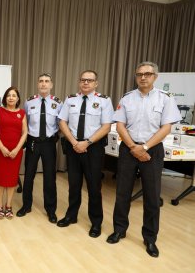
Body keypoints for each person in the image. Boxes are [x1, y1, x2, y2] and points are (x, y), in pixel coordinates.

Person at [106, 62, 181, 258]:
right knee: (122, 193)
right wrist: (133, 147)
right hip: (129, 148)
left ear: (155, 77)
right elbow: (120, 125)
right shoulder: (127, 98)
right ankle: (119, 230)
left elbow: (166, 128)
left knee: (152, 196)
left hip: (152, 150)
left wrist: (145, 147)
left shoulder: (165, 99)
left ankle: (150, 238)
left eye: (147, 74)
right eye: (139, 74)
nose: (143, 77)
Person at [57, 70, 114, 237]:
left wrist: (87, 142)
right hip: (73, 146)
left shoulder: (104, 101)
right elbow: (62, 121)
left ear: (96, 83)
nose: (86, 83)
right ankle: (71, 215)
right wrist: (74, 142)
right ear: (79, 82)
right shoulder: (70, 99)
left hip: (93, 147)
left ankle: (96, 222)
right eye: (83, 80)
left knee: (94, 186)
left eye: (90, 80)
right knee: (74, 184)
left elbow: (106, 126)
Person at [16, 73, 62, 223]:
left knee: (50, 177)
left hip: (49, 143)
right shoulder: (29, 102)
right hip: (33, 142)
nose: (43, 84)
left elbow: (61, 125)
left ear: (51, 85)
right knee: (29, 175)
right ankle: (26, 205)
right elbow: (25, 124)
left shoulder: (58, 103)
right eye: (41, 81)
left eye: (46, 81)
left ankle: (51, 210)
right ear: (37, 84)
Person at [0, 87, 28, 219]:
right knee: (0, 178)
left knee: (12, 179)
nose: (11, 98)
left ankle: (9, 206)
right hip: (0, 151)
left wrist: (18, 149)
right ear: (5, 98)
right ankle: (0, 206)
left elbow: (25, 133)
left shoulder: (22, 113)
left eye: (14, 95)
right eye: (8, 95)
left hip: (16, 152)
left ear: (18, 98)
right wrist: (2, 147)